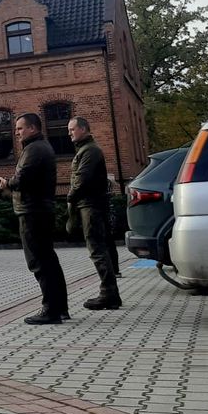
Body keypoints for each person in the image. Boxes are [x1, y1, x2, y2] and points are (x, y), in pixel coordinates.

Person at [0, 113, 68, 325]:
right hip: (39, 210)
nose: (17, 132)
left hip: (33, 212)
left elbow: (23, 178)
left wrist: (6, 184)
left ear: (32, 128)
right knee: (49, 260)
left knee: (39, 261)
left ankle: (51, 310)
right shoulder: (39, 147)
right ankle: (60, 307)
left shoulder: (35, 149)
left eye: (20, 128)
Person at [67, 117, 123, 311]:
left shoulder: (90, 150)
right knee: (99, 248)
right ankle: (110, 293)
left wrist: (70, 197)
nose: (69, 133)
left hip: (91, 205)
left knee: (97, 249)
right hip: (90, 204)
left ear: (83, 129)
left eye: (72, 129)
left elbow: (81, 180)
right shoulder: (86, 150)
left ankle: (108, 293)